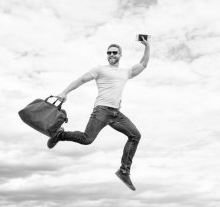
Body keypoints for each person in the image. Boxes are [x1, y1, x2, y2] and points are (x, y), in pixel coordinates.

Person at [47, 37, 150, 191]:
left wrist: (147, 46)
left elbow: (143, 64)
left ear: (120, 54)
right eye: (109, 53)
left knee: (135, 136)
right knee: (86, 139)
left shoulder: (126, 72)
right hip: (102, 110)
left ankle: (124, 172)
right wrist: (64, 92)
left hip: (116, 114)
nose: (111, 55)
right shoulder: (100, 69)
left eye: (115, 52)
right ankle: (60, 135)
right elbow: (81, 80)